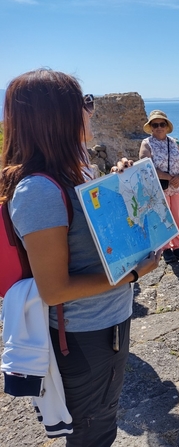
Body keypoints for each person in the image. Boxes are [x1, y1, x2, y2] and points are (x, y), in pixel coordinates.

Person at [0, 68, 161, 446]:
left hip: (106, 324)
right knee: (94, 431)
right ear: (58, 115)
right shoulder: (38, 190)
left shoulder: (74, 172)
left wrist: (120, 181)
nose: (92, 109)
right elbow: (54, 289)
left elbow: (95, 238)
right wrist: (132, 276)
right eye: (85, 102)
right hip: (85, 336)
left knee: (101, 419)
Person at [139, 110, 179, 264]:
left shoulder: (175, 142)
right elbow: (145, 165)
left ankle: (177, 246)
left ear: (167, 126)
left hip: (178, 187)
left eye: (162, 124)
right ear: (151, 127)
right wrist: (169, 177)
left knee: (178, 217)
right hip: (158, 188)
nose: (159, 127)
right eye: (155, 125)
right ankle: (166, 248)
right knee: (162, 218)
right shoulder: (146, 144)